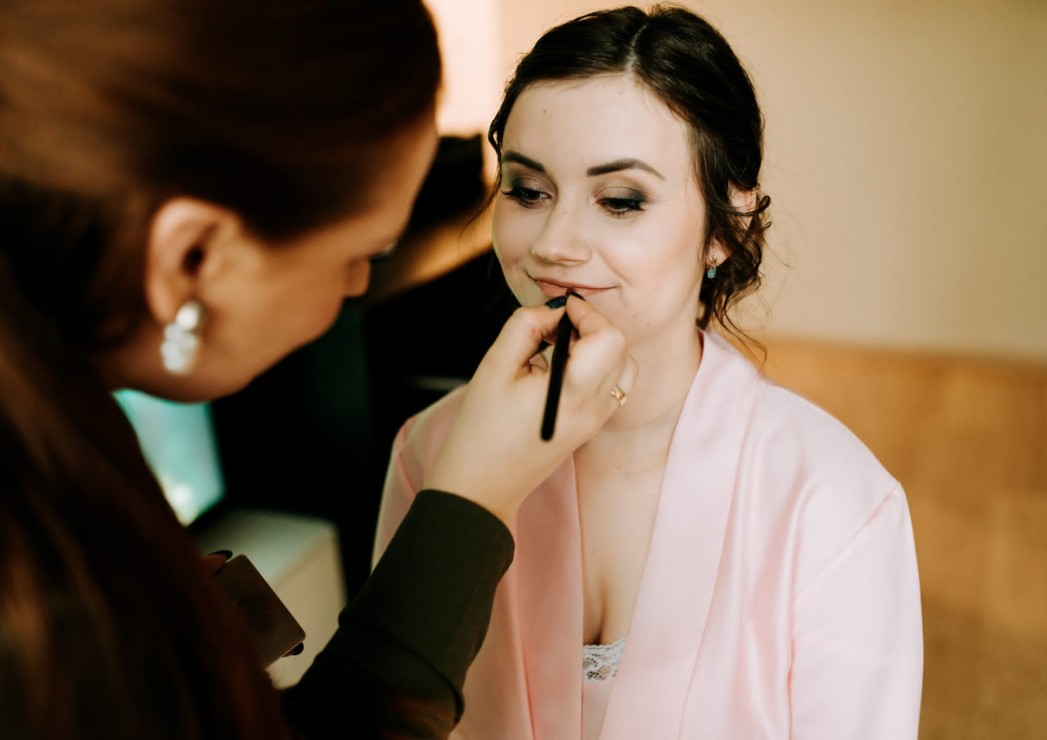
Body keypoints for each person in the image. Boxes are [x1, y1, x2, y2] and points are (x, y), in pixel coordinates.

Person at [0, 1, 635, 737]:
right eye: (361, 254)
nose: (360, 285)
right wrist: (476, 491)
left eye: (623, 200)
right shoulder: (49, 618)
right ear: (192, 258)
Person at [373, 5, 924, 739]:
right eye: (528, 190)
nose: (555, 244)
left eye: (620, 201)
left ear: (726, 228)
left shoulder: (833, 504)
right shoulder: (430, 453)